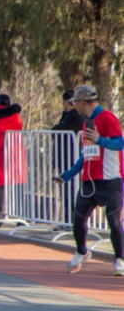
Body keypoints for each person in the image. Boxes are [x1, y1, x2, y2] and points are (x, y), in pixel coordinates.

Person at [53, 85, 123, 276]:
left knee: (114, 221)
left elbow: (120, 143)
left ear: (83, 102)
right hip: (89, 180)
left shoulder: (108, 118)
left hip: (110, 179)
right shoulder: (86, 123)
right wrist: (68, 175)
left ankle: (119, 260)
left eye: (76, 103)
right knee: (78, 218)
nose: (75, 106)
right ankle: (82, 252)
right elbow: (86, 154)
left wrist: (101, 140)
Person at [51, 89, 86, 224]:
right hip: (67, 157)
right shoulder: (70, 115)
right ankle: (68, 220)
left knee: (69, 191)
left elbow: (57, 130)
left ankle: (70, 221)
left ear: (67, 102)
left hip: (69, 157)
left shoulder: (75, 116)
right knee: (67, 190)